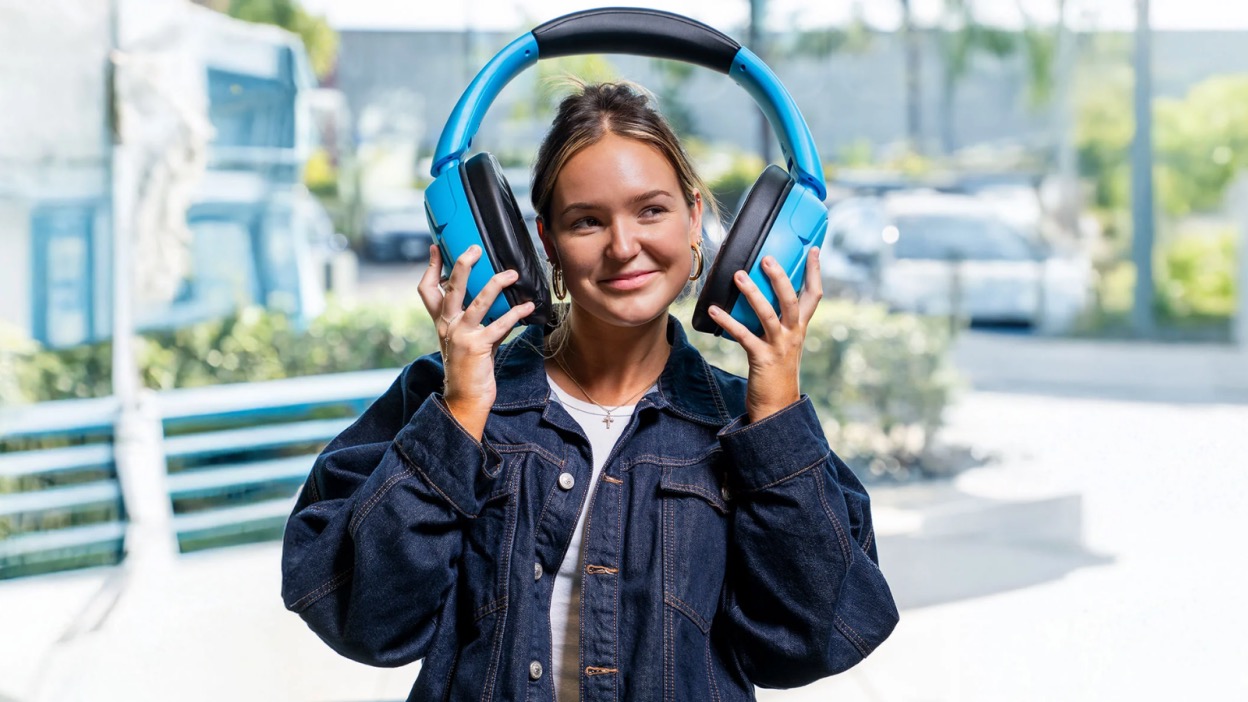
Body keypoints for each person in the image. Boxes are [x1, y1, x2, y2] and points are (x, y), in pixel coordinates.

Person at [281, 81, 898, 701]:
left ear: (694, 219)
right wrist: (461, 415)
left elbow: (811, 643)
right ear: (545, 244)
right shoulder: (447, 398)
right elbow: (366, 622)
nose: (623, 247)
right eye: (587, 221)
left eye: (651, 210)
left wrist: (775, 420)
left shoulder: (754, 423)